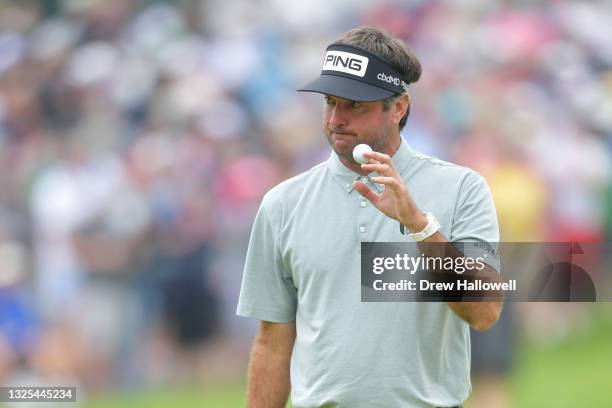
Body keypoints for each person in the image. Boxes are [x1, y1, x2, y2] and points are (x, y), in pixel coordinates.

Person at [237, 26, 502, 408]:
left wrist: (419, 225)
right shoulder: (283, 203)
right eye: (330, 102)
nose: (336, 118)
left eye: (354, 105)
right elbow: (272, 340)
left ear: (398, 107)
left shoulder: (462, 188)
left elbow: (484, 311)